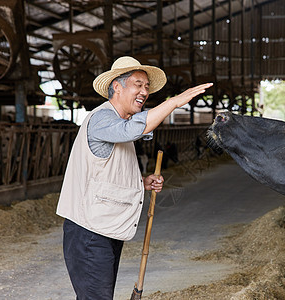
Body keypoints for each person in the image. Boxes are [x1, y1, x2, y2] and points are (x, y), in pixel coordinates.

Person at [56, 56, 213, 300]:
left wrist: (142, 181)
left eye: (147, 87)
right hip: (88, 231)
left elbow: (105, 173)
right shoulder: (101, 119)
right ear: (117, 87)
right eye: (137, 84)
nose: (144, 91)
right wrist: (174, 102)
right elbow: (137, 128)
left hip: (104, 228)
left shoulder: (119, 122)